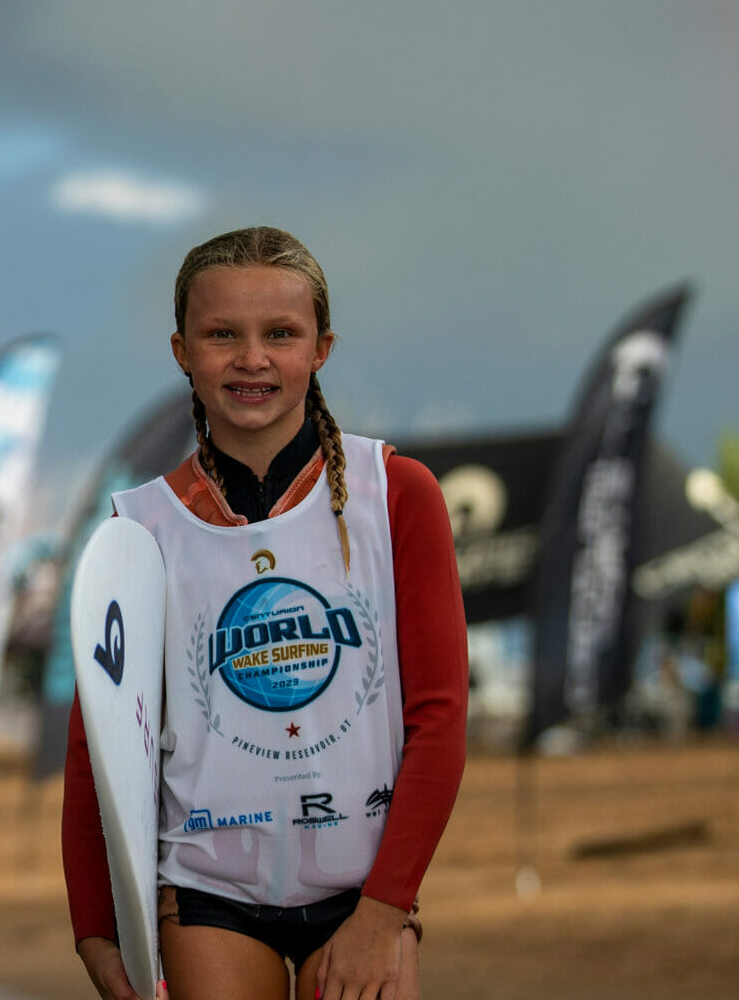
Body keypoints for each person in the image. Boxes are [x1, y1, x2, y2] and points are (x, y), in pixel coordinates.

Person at [62, 227, 468, 1000]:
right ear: (183, 350)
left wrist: (384, 914)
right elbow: (99, 752)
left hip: (363, 891)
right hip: (206, 891)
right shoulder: (136, 531)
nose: (252, 359)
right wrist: (95, 923)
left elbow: (441, 718)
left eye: (281, 334)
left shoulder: (399, 494)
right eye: (223, 335)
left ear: (322, 347)